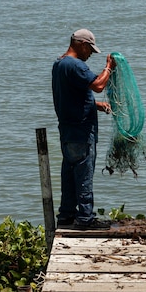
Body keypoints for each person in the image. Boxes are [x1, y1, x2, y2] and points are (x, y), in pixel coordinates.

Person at [52, 28, 116, 230]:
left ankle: (66, 216)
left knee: (70, 175)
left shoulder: (59, 64)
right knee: (84, 176)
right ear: (82, 44)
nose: (90, 55)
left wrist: (97, 105)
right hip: (81, 132)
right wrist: (108, 68)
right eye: (90, 50)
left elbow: (72, 96)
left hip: (67, 132)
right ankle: (86, 219)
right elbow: (97, 85)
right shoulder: (76, 65)